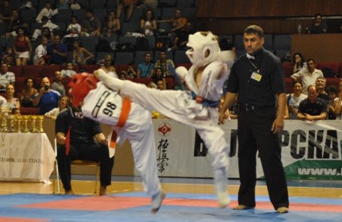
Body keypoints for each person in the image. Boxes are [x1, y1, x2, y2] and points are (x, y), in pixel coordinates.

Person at [98, 31, 232, 208]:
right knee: (147, 93)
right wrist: (184, 75)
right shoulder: (194, 68)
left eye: (194, 50)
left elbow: (222, 68)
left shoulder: (216, 68)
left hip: (206, 113)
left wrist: (222, 60)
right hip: (186, 101)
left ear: (207, 51)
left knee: (218, 148)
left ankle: (222, 190)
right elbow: (190, 81)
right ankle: (114, 82)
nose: (191, 53)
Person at [68, 72, 166, 211]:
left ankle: (156, 192)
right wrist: (103, 75)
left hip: (134, 119)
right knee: (143, 158)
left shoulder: (88, 108)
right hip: (134, 112)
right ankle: (155, 192)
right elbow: (111, 81)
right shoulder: (97, 92)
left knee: (143, 159)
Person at [217, 25, 288, 213]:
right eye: (246, 40)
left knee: (270, 159)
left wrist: (280, 117)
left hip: (265, 116)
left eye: (253, 40)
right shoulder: (239, 64)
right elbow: (232, 92)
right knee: (245, 158)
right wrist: (223, 110)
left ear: (261, 40)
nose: (249, 44)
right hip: (244, 116)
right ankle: (246, 200)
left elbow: (281, 93)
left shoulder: (272, 62)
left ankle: (280, 203)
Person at [55, 94, 114, 197]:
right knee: (62, 150)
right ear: (71, 99)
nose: (81, 101)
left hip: (88, 147)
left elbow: (98, 134)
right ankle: (68, 189)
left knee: (108, 150)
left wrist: (103, 140)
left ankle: (103, 188)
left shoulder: (91, 116)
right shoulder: (63, 116)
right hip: (71, 147)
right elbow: (59, 135)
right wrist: (63, 139)